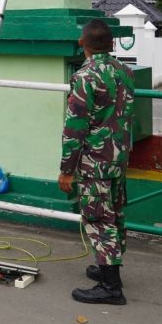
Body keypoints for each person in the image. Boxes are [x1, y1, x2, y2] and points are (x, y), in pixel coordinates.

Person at [58, 18, 135, 305]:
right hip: (119, 158)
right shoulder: (125, 71)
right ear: (112, 43)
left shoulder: (85, 76)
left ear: (83, 43)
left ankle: (111, 287)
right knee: (114, 213)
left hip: (95, 161)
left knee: (98, 218)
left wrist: (67, 170)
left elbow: (75, 127)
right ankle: (108, 267)